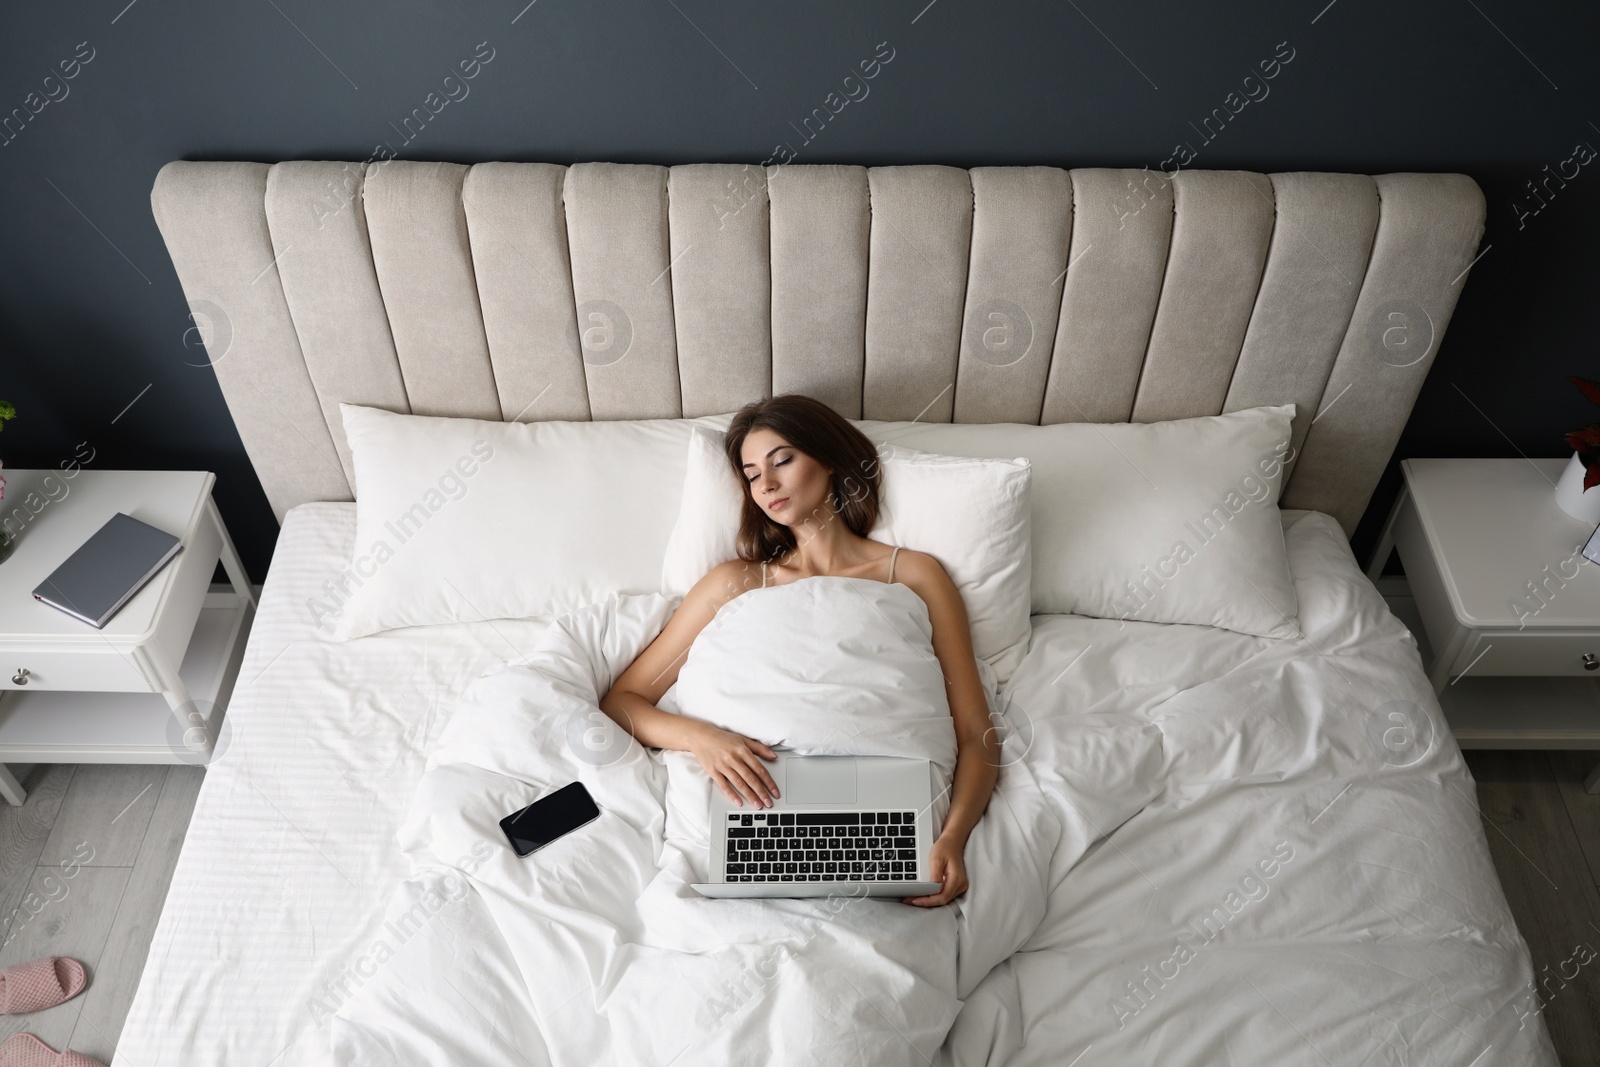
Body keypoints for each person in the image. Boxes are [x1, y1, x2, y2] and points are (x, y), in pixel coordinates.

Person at [599, 394, 999, 906]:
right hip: (755, 799)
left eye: (782, 460)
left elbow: (975, 730)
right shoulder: (735, 582)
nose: (765, 485)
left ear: (829, 459)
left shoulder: (916, 574)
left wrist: (952, 839)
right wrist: (702, 738)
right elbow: (623, 701)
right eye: (749, 474)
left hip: (887, 804)